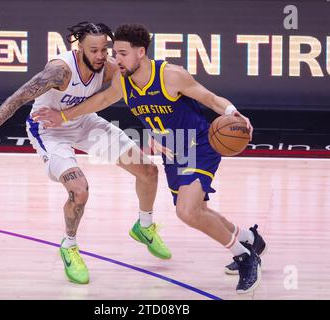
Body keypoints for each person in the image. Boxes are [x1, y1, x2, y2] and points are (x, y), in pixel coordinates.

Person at [31, 24, 267, 294]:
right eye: (114, 53)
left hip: (197, 144)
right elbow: (102, 100)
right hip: (173, 149)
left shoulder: (171, 75)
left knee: (187, 212)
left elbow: (209, 98)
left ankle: (246, 257)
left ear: (140, 52)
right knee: (198, 211)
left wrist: (233, 112)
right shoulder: (123, 80)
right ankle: (250, 239)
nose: (114, 60)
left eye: (121, 53)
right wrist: (62, 117)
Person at [0, 22, 172, 285]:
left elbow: (137, 96)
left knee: (148, 170)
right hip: (50, 131)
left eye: (104, 49)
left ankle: (144, 227)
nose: (100, 55)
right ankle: (69, 245)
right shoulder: (59, 71)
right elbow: (19, 97)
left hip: (85, 123)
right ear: (79, 47)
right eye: (94, 50)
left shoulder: (108, 68)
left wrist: (154, 131)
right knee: (80, 190)